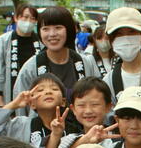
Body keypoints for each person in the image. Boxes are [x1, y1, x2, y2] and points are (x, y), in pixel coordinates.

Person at [13, 7, 100, 137]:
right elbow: (21, 108)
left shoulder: (86, 62)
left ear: (69, 29)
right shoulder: (31, 67)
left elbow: (98, 98)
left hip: (83, 136)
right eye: (45, 29)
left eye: (58, 28)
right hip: (42, 138)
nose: (52, 34)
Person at [0, 73, 66, 148]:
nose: (48, 92)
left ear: (63, 101)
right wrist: (14, 105)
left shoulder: (72, 124)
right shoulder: (22, 125)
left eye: (54, 89)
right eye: (40, 90)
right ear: (32, 104)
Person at [0, 5, 41, 107]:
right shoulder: (3, 41)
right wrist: (0, 103)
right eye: (25, 17)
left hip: (37, 99)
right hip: (10, 98)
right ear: (16, 18)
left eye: (32, 18)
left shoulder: (41, 42)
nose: (28, 21)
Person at [48, 76, 113, 148]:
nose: (88, 111)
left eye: (95, 104)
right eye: (81, 105)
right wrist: (55, 134)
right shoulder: (68, 141)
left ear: (108, 107)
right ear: (73, 109)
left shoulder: (116, 139)